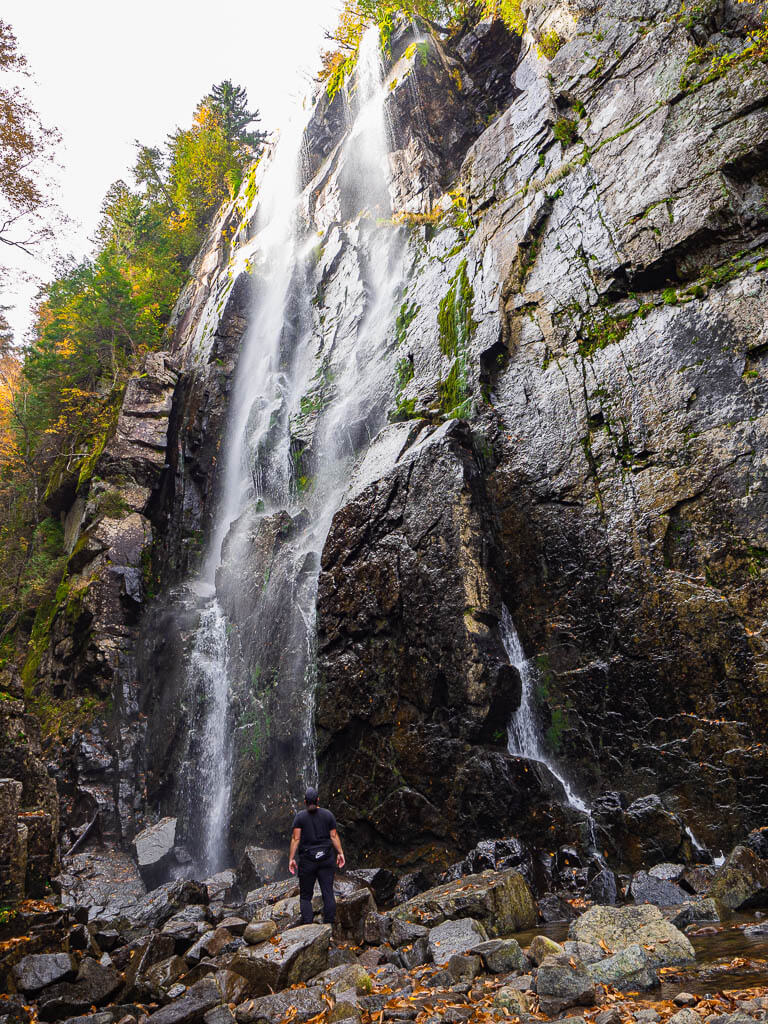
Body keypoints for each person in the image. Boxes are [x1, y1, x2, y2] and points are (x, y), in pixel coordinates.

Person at [289, 786, 345, 925]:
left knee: (306, 896)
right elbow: (333, 836)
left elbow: (296, 839)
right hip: (326, 859)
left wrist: (291, 859)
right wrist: (340, 853)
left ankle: (308, 926)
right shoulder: (328, 815)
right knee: (328, 892)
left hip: (308, 861)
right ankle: (328, 925)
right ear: (318, 800)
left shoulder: (300, 817)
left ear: (305, 801)